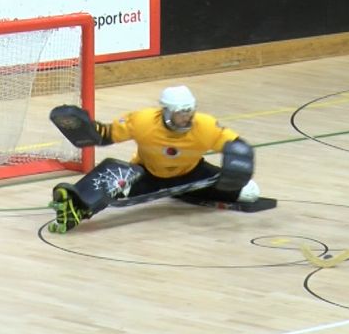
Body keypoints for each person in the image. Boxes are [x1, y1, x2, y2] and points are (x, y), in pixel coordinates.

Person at [48, 86, 260, 232]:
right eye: (181, 112)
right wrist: (83, 127)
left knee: (250, 192)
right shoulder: (143, 121)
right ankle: (76, 203)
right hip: (148, 174)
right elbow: (106, 134)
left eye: (190, 111)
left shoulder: (205, 125)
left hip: (192, 174)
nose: (187, 117)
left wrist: (238, 159)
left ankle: (193, 189)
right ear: (167, 111)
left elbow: (235, 143)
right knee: (117, 174)